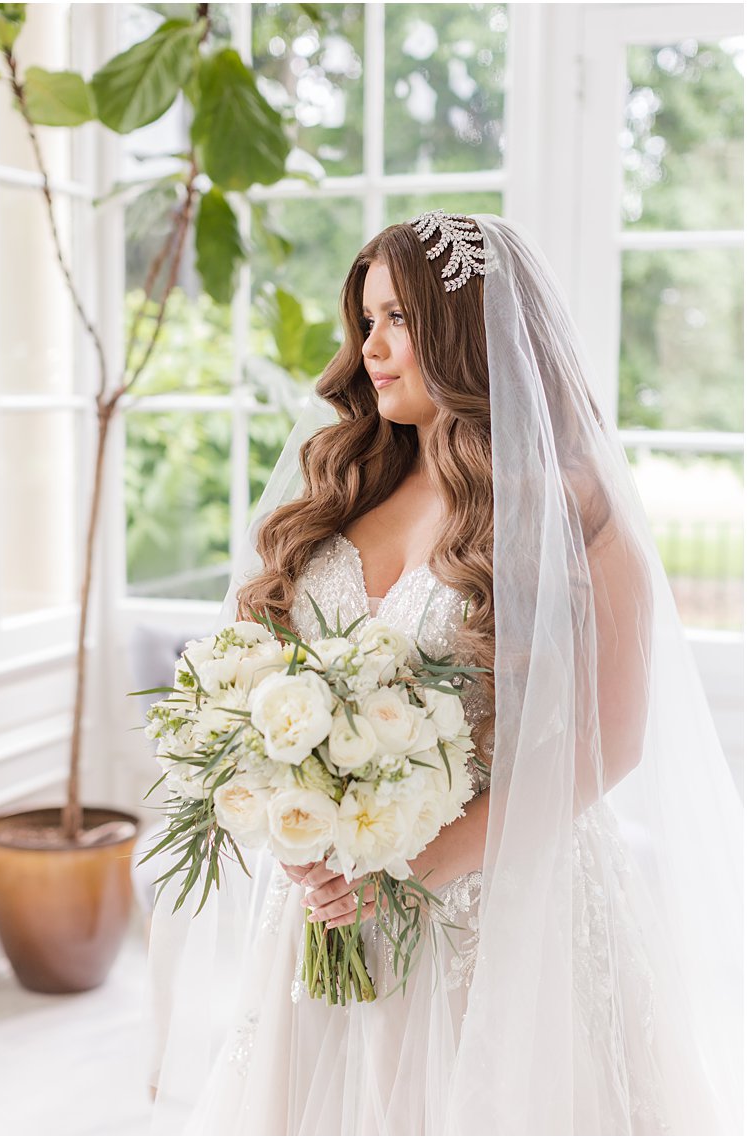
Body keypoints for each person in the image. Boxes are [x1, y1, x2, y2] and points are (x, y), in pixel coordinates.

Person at [149, 212, 742, 1135]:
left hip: (493, 901)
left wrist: (414, 864)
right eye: (367, 319)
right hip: (329, 904)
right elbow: (250, 682)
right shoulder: (340, 486)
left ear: (466, 331)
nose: (371, 346)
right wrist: (291, 824)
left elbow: (609, 741)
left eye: (397, 319)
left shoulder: (570, 508)